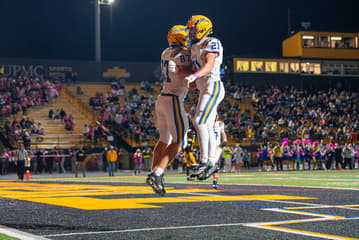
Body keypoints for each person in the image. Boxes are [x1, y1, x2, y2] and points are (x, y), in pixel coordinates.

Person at [146, 25, 192, 195]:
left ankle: (154, 173)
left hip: (162, 98)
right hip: (173, 99)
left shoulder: (166, 52)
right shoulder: (184, 55)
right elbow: (188, 76)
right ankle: (157, 173)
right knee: (178, 142)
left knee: (163, 140)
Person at [185, 15, 225, 180]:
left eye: (193, 29)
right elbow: (196, 78)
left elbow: (209, 65)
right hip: (204, 87)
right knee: (205, 124)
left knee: (200, 120)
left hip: (213, 85)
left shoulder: (211, 42)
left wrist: (194, 75)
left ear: (202, 28)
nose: (190, 33)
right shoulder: (194, 48)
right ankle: (209, 161)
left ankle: (206, 161)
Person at [211, 117, 227, 189]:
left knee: (215, 164)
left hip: (217, 146)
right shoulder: (207, 123)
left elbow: (223, 132)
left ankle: (215, 182)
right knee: (211, 163)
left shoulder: (220, 123)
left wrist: (225, 140)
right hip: (209, 146)